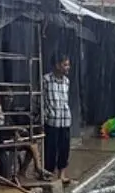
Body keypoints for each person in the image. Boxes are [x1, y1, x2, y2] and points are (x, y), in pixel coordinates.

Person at [42, 54, 72, 184]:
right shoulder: (46, 80)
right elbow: (39, 100)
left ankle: (62, 175)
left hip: (65, 119)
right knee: (50, 149)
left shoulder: (66, 81)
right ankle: (49, 174)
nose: (67, 67)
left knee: (64, 148)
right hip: (52, 120)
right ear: (57, 65)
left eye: (68, 64)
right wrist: (43, 116)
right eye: (65, 64)